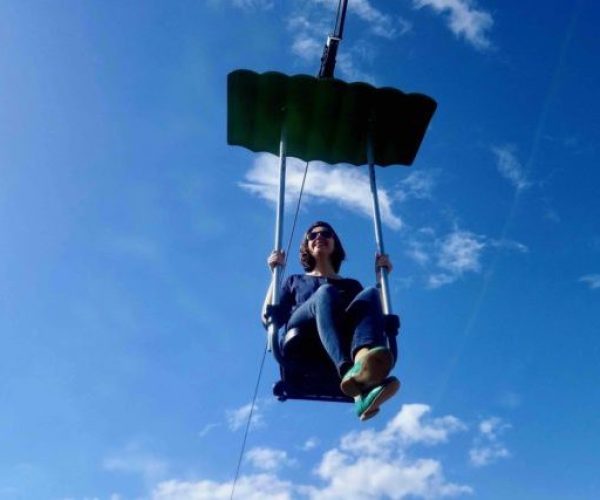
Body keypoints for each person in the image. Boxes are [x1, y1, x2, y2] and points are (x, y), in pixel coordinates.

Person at [263, 221, 399, 421]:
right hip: (303, 336)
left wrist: (381, 280)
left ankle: (363, 380)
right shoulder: (295, 281)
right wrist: (275, 273)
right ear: (307, 246)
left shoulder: (351, 285)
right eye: (312, 235)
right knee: (325, 292)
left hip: (339, 337)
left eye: (326, 234)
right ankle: (346, 370)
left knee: (370, 294)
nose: (319, 237)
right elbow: (268, 319)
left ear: (335, 244)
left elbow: (366, 321)